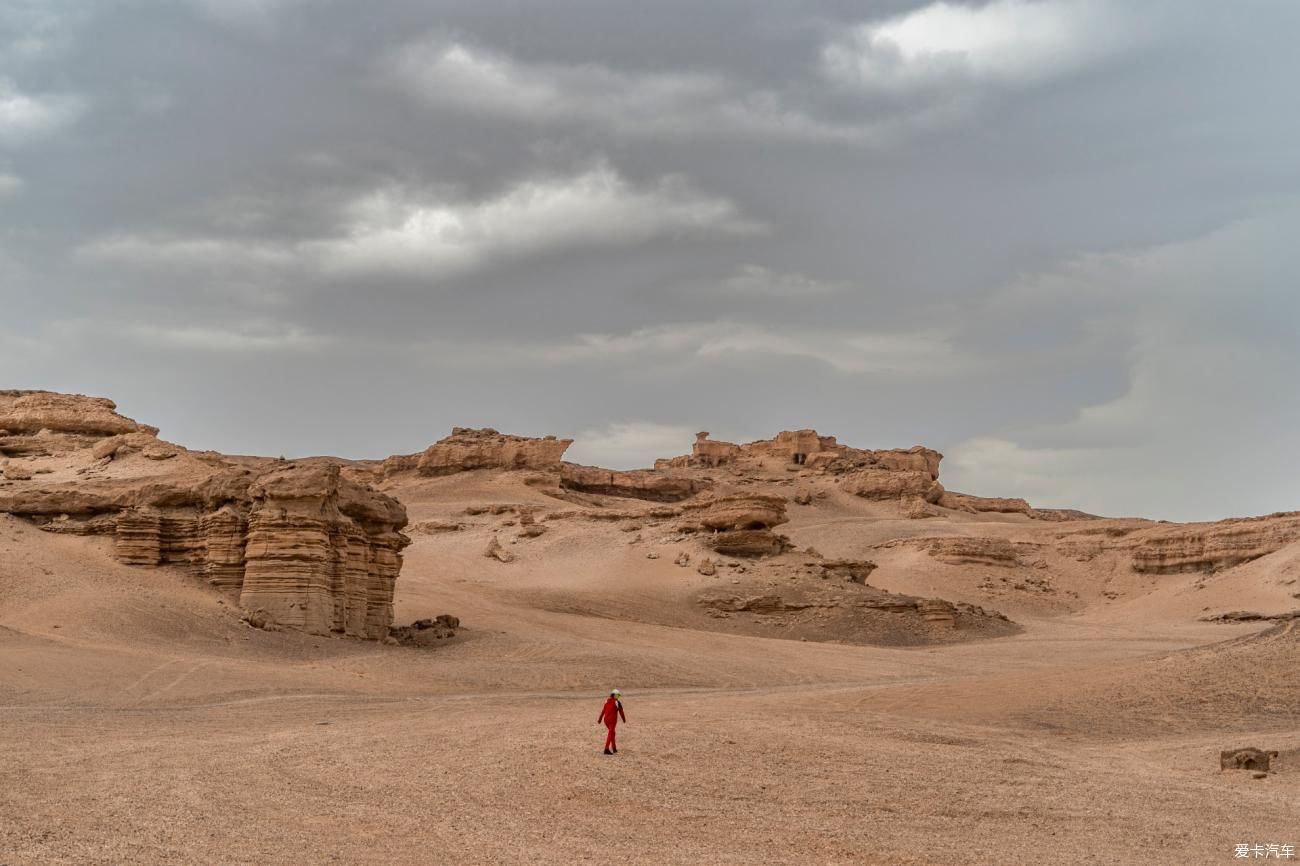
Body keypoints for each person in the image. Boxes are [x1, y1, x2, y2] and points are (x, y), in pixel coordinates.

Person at [597, 689, 626, 755]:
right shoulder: (617, 702)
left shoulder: (607, 701)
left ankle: (614, 748)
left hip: (606, 720)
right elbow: (621, 712)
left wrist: (600, 719)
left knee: (612, 733)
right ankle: (606, 748)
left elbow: (603, 710)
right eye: (618, 695)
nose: (618, 697)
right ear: (615, 695)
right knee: (611, 733)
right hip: (612, 721)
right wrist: (624, 719)